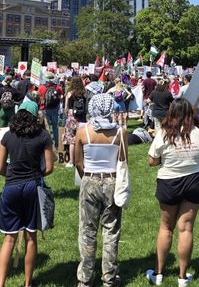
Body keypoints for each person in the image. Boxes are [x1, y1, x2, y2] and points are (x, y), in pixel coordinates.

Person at [146, 98, 199, 286]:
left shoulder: (163, 133)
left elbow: (151, 161)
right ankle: (182, 277)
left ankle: (158, 274)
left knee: (166, 227)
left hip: (169, 181)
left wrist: (166, 160)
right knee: (186, 228)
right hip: (195, 180)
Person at [0, 98, 54, 287]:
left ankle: (0, 284)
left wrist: (11, 175)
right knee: (31, 237)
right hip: (32, 186)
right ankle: (28, 283)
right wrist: (36, 174)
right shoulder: (43, 135)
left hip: (11, 186)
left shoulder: (8, 136)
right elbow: (50, 167)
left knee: (9, 238)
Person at [73, 92, 127, 287]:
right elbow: (123, 161)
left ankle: (85, 279)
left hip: (89, 180)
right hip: (112, 181)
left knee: (87, 231)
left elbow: (77, 162)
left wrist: (88, 176)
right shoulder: (120, 132)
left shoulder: (83, 131)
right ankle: (109, 277)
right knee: (111, 231)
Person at [38, 72, 62, 151]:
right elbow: (60, 97)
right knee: (55, 127)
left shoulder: (41, 87)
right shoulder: (58, 87)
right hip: (55, 109)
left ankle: (47, 145)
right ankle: (57, 145)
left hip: (44, 108)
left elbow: (39, 98)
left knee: (46, 127)